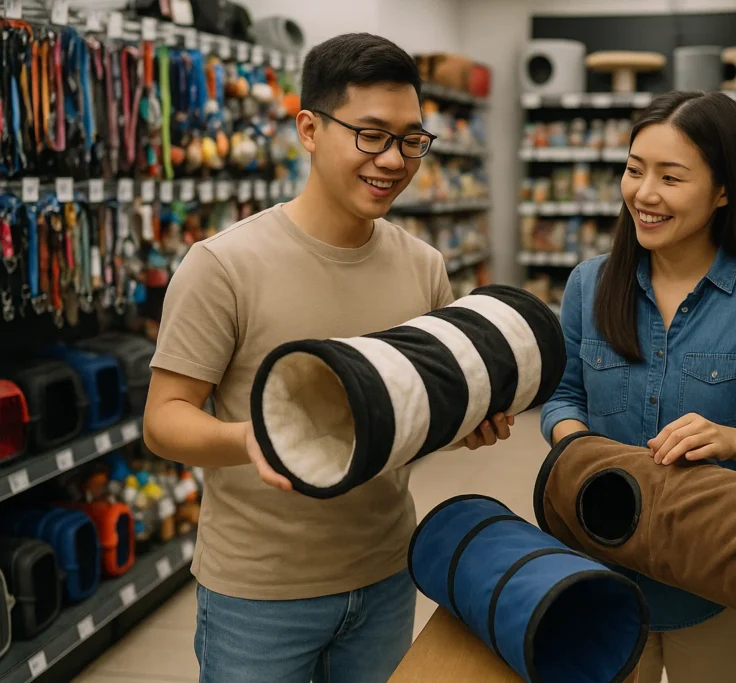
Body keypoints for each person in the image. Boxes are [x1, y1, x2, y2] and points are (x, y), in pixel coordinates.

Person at [143, 33, 512, 683]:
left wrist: (466, 425)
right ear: (309, 129)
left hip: (386, 573)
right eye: (370, 135)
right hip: (258, 592)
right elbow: (165, 419)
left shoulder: (424, 267)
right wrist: (254, 437)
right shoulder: (224, 265)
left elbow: (420, 404)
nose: (394, 160)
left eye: (411, 139)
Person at [539, 90, 736, 683]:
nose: (644, 194)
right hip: (601, 568)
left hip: (718, 580)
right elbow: (563, 396)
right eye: (633, 169)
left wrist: (733, 442)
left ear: (724, 190)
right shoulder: (588, 285)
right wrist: (579, 449)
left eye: (671, 177)